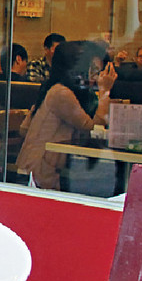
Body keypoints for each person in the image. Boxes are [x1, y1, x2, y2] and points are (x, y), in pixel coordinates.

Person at [16, 41, 117, 190]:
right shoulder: (61, 93)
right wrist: (105, 91)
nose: (96, 77)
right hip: (40, 173)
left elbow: (24, 128)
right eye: (93, 70)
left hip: (46, 167)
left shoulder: (54, 88)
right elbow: (93, 129)